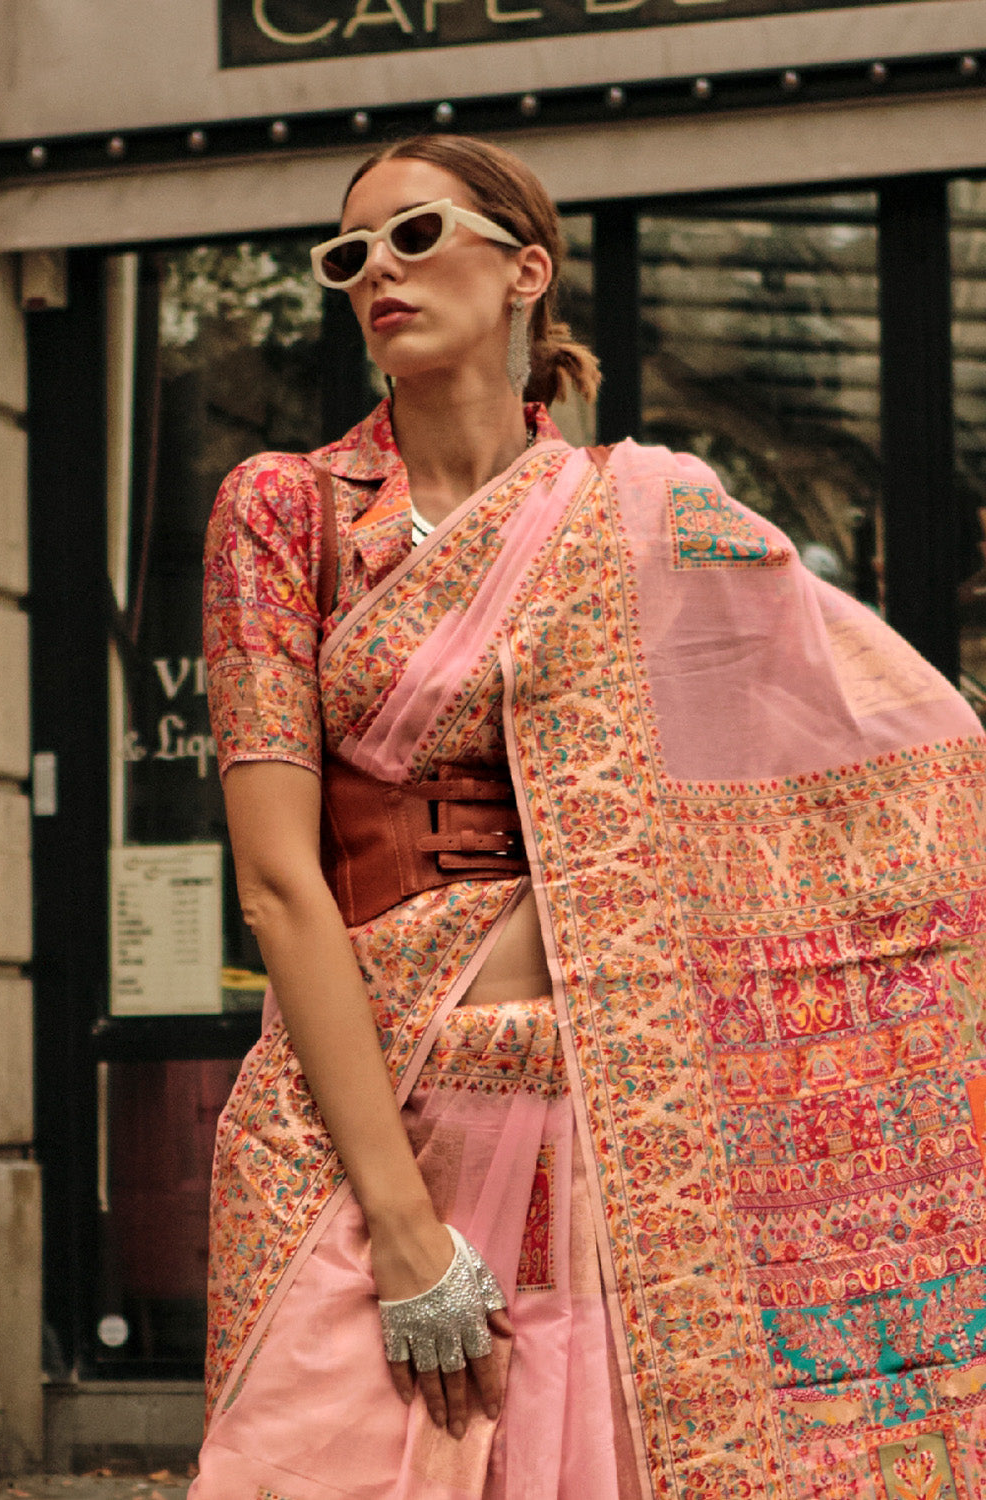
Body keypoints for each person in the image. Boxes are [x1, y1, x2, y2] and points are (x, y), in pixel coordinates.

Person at [192, 136, 986, 1500]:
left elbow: (886, 745)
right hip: (357, 1127)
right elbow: (278, 885)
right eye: (349, 253)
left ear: (527, 271)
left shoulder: (649, 513)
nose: (376, 269)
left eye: (416, 234)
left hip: (616, 1123)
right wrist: (401, 1231)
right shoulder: (285, 510)